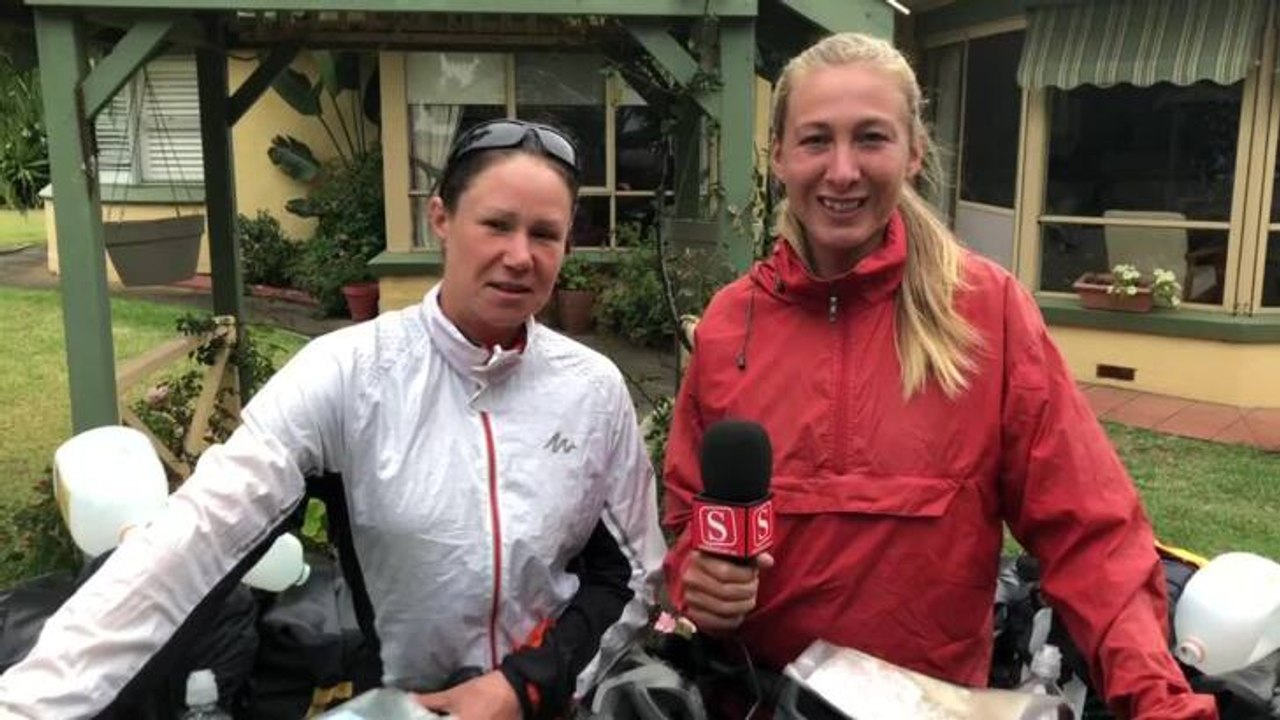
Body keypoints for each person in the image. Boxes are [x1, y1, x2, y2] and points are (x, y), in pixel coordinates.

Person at [0, 120, 665, 720]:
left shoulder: (591, 389)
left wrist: (522, 688)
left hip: (547, 705)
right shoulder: (348, 373)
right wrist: (30, 704)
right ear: (441, 218)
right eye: (496, 224)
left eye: (545, 234)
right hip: (402, 704)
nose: (521, 256)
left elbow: (632, 574)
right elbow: (192, 541)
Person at [661, 32, 1218, 719]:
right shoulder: (728, 326)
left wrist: (1159, 701)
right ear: (777, 155)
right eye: (814, 141)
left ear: (914, 151)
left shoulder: (989, 313)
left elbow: (1091, 532)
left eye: (871, 138)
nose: (842, 171)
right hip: (749, 703)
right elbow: (689, 523)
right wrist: (696, 581)